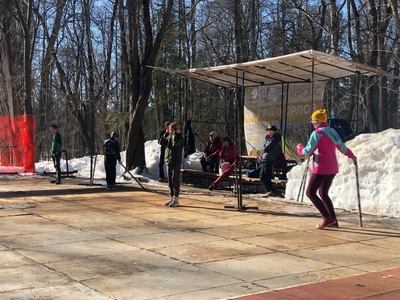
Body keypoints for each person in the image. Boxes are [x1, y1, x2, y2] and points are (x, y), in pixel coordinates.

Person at [297, 109, 357, 229]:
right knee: (323, 193)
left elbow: (308, 151)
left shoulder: (317, 133)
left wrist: (300, 148)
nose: (313, 123)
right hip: (332, 167)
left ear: (320, 121)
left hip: (321, 168)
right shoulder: (332, 131)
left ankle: (327, 217)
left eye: (314, 121)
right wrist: (351, 155)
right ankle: (333, 220)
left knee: (310, 192)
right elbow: (341, 146)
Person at [158, 122, 184, 207]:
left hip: (176, 160)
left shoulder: (179, 137)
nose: (170, 131)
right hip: (168, 160)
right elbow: (160, 141)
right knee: (169, 180)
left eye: (172, 129)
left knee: (175, 179)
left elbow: (175, 143)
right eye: (170, 129)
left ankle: (176, 199)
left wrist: (175, 134)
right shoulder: (169, 136)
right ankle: (171, 197)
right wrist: (166, 133)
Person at [259, 125, 282, 197]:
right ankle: (269, 191)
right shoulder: (272, 138)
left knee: (265, 176)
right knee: (263, 176)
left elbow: (266, 148)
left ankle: (270, 191)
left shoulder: (274, 139)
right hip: (266, 159)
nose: (268, 132)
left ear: (273, 131)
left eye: (269, 130)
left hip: (269, 159)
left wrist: (264, 147)